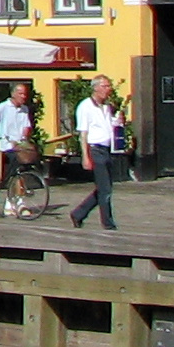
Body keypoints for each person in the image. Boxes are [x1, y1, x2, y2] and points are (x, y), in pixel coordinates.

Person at [67, 75, 125, 231]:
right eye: (105, 86)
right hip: (95, 149)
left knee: (103, 187)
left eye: (109, 86)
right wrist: (85, 156)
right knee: (105, 189)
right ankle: (108, 223)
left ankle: (79, 213)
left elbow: (107, 126)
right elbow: (83, 134)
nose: (108, 89)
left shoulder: (106, 107)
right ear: (96, 87)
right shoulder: (85, 106)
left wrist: (117, 122)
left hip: (107, 149)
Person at [0, 81, 38, 208]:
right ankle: (11, 201)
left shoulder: (24, 109)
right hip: (7, 145)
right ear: (13, 94)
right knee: (14, 171)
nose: (23, 97)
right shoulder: (3, 107)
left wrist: (25, 137)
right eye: (20, 94)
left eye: (25, 94)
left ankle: (18, 198)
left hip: (20, 145)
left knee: (26, 167)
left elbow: (26, 126)